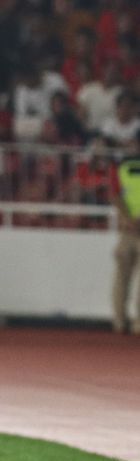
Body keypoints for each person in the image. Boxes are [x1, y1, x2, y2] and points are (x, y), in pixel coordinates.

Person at [111, 130, 140, 335]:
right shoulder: (121, 166)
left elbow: (115, 195)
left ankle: (120, 321)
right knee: (122, 275)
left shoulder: (122, 166)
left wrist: (128, 219)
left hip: (128, 227)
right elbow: (115, 195)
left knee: (122, 276)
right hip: (130, 227)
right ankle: (127, 321)